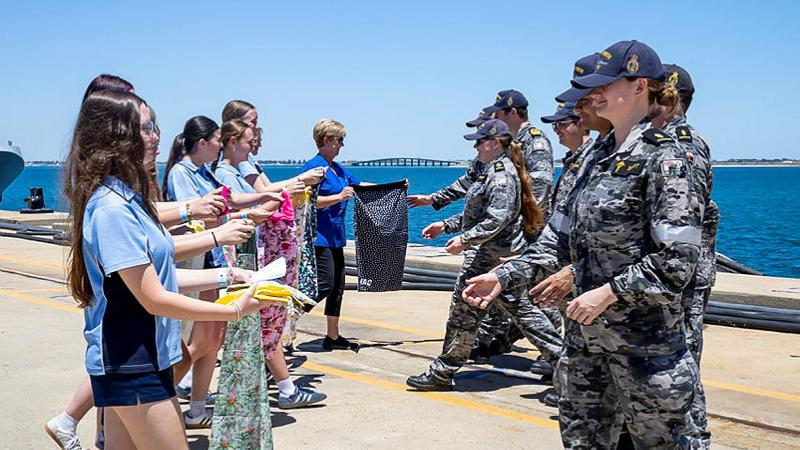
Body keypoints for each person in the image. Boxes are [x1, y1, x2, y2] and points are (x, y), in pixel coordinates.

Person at [466, 40, 704, 448]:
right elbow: (557, 240)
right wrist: (504, 276)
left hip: (645, 350)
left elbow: (677, 262)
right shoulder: (592, 159)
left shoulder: (665, 158)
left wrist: (608, 293)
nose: (594, 94)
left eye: (606, 85)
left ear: (639, 86)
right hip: (584, 349)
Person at [63, 89, 275, 449]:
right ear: (117, 137)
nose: (156, 136)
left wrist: (227, 276)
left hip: (144, 357)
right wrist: (232, 309)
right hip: (132, 362)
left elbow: (156, 276)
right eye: (145, 128)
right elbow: (154, 297)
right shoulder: (113, 208)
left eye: (155, 126)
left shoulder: (127, 200)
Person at [407, 119, 576, 390]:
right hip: (494, 256)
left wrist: (464, 239)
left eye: (480, 141)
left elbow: (497, 219)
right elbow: (481, 214)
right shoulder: (493, 171)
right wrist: (446, 225)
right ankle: (566, 366)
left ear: (495, 143)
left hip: (491, 259)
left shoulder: (500, 176)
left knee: (467, 315)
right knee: (520, 315)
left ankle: (443, 371)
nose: (475, 146)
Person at [163, 115, 279, 428]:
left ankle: (197, 408)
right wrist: (240, 217)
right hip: (196, 262)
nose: (219, 144)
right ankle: (160, 396)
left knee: (212, 339)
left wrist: (263, 198)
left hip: (213, 258)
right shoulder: (181, 174)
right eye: (216, 139)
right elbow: (200, 216)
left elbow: (229, 200)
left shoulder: (202, 172)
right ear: (202, 143)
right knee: (198, 343)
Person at [215, 119, 327, 408]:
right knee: (247, 326)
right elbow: (248, 212)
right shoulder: (227, 174)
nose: (254, 144)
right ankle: (193, 387)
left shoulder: (238, 171)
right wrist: (286, 194)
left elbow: (252, 202)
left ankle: (199, 388)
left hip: (251, 254)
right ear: (231, 141)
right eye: (250, 138)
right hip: (244, 255)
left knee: (258, 325)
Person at [649, 63, 716, 447]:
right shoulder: (660, 141)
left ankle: (693, 438)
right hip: (670, 274)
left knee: (681, 361)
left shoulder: (683, 144)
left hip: (683, 277)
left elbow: (684, 223)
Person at [301, 119, 371, 350]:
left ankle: (332, 336)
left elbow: (360, 186)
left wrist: (394, 186)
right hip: (318, 237)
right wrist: (338, 197)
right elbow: (306, 202)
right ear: (326, 140)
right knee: (324, 285)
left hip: (336, 237)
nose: (342, 145)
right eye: (339, 140)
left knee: (338, 288)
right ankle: (285, 320)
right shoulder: (314, 168)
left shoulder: (339, 169)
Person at [221, 100, 324, 193]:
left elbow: (268, 186)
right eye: (253, 122)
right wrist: (302, 178)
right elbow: (262, 190)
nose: (257, 126)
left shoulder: (246, 157)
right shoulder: (240, 158)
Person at [406, 107, 493, 209]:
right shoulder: (479, 162)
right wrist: (431, 199)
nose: (476, 144)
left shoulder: (510, 159)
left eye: (481, 127)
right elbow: (463, 185)